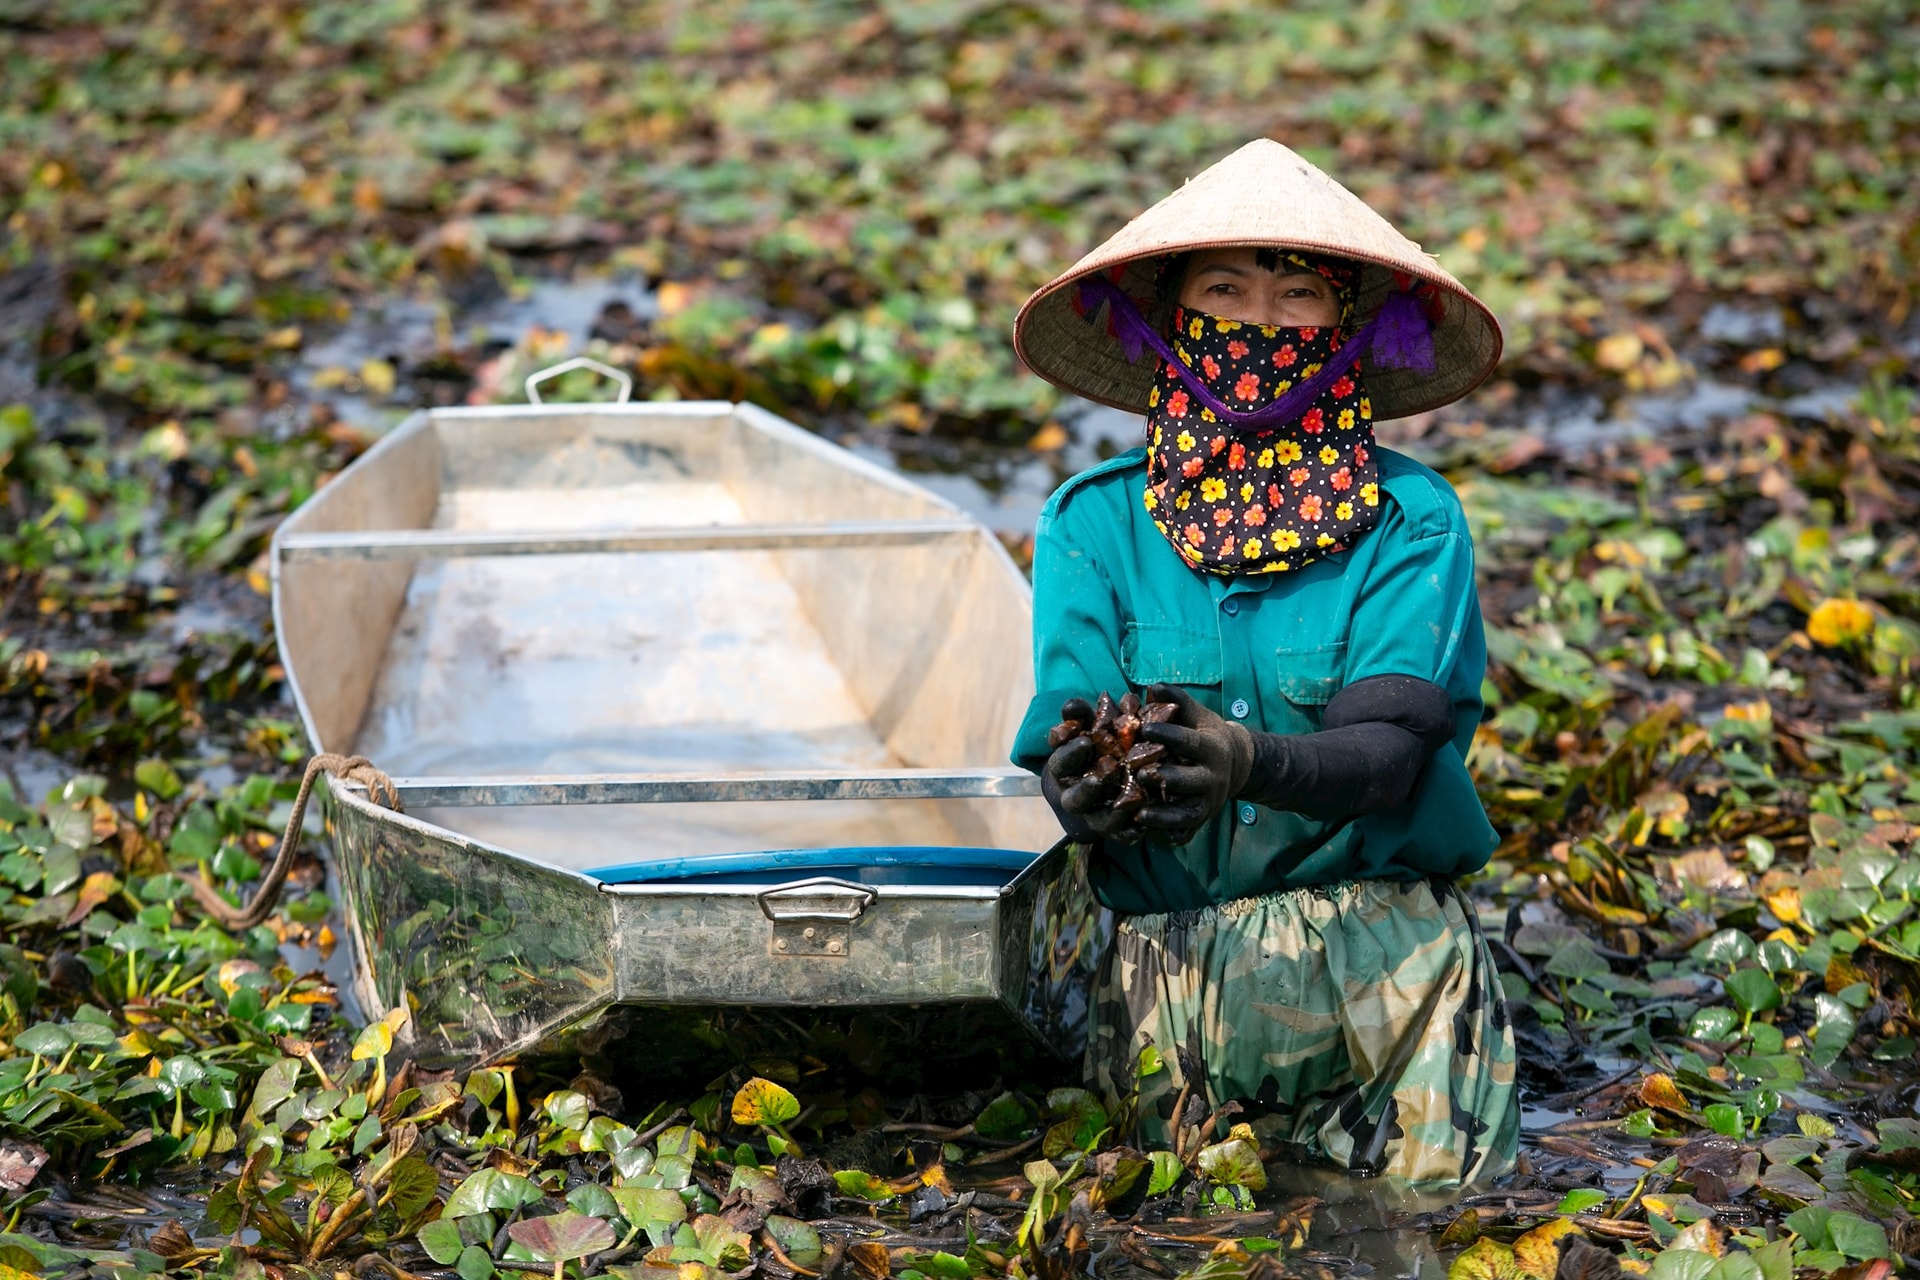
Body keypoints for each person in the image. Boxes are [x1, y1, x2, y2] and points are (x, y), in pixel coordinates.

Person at [1008, 139, 1518, 1184]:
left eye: (1298, 295)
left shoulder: (1408, 518)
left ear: (1347, 329)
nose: (1261, 321)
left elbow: (1389, 753)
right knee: (1184, 1233)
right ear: (1170, 320)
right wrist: (1089, 789)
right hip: (1166, 963)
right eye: (1226, 289)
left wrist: (1244, 759)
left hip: (1393, 969)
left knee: (1429, 1235)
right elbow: (1066, 735)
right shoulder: (1091, 523)